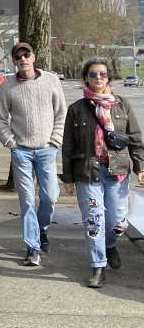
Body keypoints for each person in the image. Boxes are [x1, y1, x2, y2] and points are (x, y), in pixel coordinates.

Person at [62, 57, 144, 288]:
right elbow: (68, 146)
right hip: (87, 173)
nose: (98, 78)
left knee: (118, 221)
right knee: (94, 222)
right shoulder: (76, 109)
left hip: (117, 171)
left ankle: (109, 245)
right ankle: (98, 265)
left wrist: (141, 167)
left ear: (109, 78)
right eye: (93, 74)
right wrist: (67, 179)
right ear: (85, 79)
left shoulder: (122, 104)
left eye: (103, 74)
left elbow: (136, 139)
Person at [0, 42, 67, 266]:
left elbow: (61, 113)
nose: (23, 59)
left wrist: (55, 141)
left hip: (47, 150)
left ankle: (42, 230)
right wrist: (11, 143)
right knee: (26, 201)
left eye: (26, 55)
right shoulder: (7, 87)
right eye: (18, 56)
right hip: (21, 152)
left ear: (33, 57)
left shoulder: (51, 81)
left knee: (50, 197)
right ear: (14, 61)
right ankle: (32, 247)